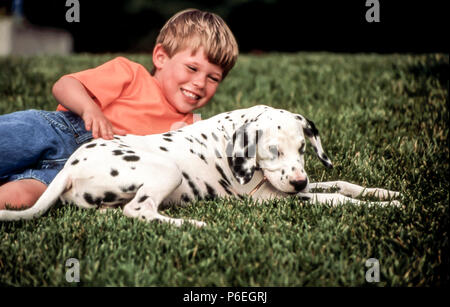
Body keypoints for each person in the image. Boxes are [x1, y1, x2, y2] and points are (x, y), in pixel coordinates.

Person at [0, 8, 238, 210]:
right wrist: (89, 109)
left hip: (82, 172)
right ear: (161, 57)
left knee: (23, 197)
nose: (199, 83)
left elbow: (218, 156)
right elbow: (64, 85)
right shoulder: (131, 74)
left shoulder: (191, 126)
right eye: (192, 68)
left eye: (213, 78)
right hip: (59, 131)